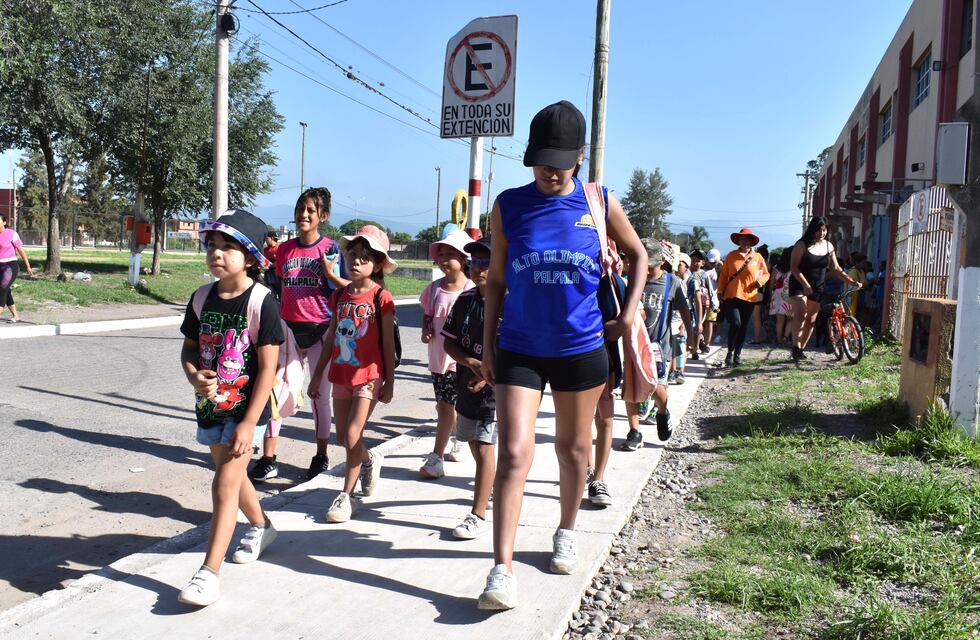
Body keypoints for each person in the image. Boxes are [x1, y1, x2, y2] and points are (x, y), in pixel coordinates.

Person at [476, 100, 647, 611]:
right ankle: (500, 569)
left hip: (582, 349)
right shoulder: (508, 204)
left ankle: (566, 529)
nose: (551, 171)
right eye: (541, 161)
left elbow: (639, 255)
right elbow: (498, 282)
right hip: (520, 349)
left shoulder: (599, 201)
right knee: (513, 453)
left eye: (561, 161)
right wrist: (487, 346)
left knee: (574, 453)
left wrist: (630, 313)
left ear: (580, 157)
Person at [177, 210, 284, 607]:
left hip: (247, 412)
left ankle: (208, 574)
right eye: (212, 246)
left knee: (224, 483)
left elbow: (269, 367)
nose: (216, 254)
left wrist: (250, 423)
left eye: (228, 248)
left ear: (252, 257)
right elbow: (189, 347)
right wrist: (192, 375)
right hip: (210, 408)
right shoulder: (201, 297)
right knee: (233, 480)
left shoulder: (262, 302)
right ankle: (262, 526)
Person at [250, 188, 349, 483]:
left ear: (323, 216)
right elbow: (279, 287)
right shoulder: (284, 251)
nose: (303, 215)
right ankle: (269, 458)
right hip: (289, 330)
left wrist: (331, 275)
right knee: (276, 390)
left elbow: (346, 289)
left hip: (322, 330)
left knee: (320, 394)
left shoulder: (331, 249)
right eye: (300, 209)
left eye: (310, 210)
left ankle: (320, 456)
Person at [308, 225, 397, 523]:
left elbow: (386, 343)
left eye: (364, 257)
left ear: (378, 264)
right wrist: (317, 375)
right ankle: (370, 459)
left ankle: (346, 496)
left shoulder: (382, 298)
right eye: (353, 255)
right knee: (344, 438)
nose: (356, 261)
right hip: (340, 375)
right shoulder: (340, 296)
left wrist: (389, 382)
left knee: (351, 434)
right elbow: (331, 337)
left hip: (369, 377)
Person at [442, 238, 497, 538]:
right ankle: (491, 484)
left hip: (496, 391)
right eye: (474, 263)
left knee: (486, 446)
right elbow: (449, 341)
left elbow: (517, 351)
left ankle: (477, 513)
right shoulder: (465, 301)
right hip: (466, 384)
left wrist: (489, 375)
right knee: (473, 442)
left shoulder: (509, 303)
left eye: (486, 263)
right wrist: (471, 362)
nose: (478, 269)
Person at [622, 239, 692, 451]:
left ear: (662, 261)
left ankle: (662, 411)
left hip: (660, 347)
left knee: (658, 388)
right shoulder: (632, 280)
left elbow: (685, 311)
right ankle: (634, 432)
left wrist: (689, 334)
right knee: (631, 389)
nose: (646, 269)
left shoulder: (672, 283)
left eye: (650, 265)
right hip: (634, 344)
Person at [418, 229, 474, 479]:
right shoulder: (433, 289)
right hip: (438, 358)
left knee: (447, 406)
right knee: (446, 405)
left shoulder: (472, 290)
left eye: (451, 254)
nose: (444, 259)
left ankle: (437, 457)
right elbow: (428, 315)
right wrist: (426, 330)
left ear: (464, 259)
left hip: (462, 361)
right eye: (441, 254)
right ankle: (456, 437)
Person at [788, 217, 859, 360]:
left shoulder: (828, 246)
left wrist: (851, 281)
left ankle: (801, 349)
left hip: (817, 286)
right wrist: (805, 285)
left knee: (811, 319)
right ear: (812, 230)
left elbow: (836, 268)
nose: (822, 233)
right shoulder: (802, 245)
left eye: (824, 230)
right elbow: (794, 268)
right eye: (819, 230)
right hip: (799, 284)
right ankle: (795, 347)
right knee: (801, 314)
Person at [717, 228, 769, 367]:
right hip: (732, 295)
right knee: (736, 323)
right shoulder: (731, 256)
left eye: (747, 239)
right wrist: (720, 291)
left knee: (744, 326)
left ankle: (737, 355)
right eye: (742, 238)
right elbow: (723, 275)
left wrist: (760, 282)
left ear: (752, 242)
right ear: (738, 241)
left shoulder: (758, 257)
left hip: (750, 297)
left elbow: (766, 274)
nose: (745, 241)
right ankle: (730, 351)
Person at [0, 216, 34, 323]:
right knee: (7, 291)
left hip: (10, 265)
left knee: (2, 288)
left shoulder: (11, 233)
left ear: (4, 222)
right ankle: (16, 316)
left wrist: (27, 266)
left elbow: (21, 250)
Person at [667, 253, 692, 384]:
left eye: (680, 265)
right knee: (671, 347)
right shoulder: (669, 279)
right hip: (669, 319)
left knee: (680, 345)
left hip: (678, 319)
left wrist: (683, 325)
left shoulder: (681, 283)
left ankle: (679, 371)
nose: (677, 267)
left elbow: (685, 306)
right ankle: (672, 371)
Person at [769, 251, 794, 345]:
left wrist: (770, 296)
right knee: (791, 318)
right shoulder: (793, 268)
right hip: (789, 294)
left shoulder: (776, 268)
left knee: (779, 320)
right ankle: (785, 337)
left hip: (777, 294)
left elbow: (771, 284)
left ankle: (779, 340)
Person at [702, 248, 722, 348]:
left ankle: (707, 344)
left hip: (713, 300)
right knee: (702, 323)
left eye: (714, 262)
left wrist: (719, 263)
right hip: (701, 300)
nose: (712, 264)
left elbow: (723, 269)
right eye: (711, 262)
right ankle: (701, 342)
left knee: (709, 322)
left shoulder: (717, 270)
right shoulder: (702, 270)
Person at [262, 231, 281, 300]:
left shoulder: (279, 248)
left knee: (281, 296)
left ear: (272, 238)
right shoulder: (265, 250)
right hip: (268, 275)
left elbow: (280, 261)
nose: (265, 240)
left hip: (278, 276)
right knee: (270, 296)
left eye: (267, 238)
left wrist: (269, 266)